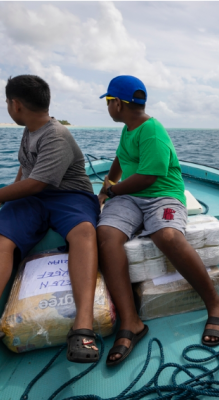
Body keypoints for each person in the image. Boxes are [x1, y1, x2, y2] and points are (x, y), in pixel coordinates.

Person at [96, 75, 219, 366]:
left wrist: (112, 190)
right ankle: (131, 323)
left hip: (161, 195)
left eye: (108, 101)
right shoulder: (128, 129)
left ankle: (216, 305)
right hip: (130, 197)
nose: (108, 107)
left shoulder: (152, 130)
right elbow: (120, 160)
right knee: (106, 234)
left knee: (167, 236)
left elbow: (149, 176)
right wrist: (104, 191)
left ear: (117, 103)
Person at [0, 75, 101, 362]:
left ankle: (83, 325)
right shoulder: (29, 129)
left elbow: (36, 183)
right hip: (34, 198)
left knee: (83, 231)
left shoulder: (55, 134)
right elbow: (25, 172)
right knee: (3, 237)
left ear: (15, 105)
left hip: (70, 195)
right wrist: (8, 202)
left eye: (7, 102)